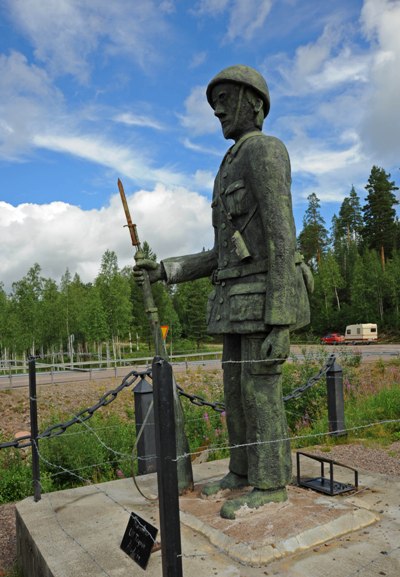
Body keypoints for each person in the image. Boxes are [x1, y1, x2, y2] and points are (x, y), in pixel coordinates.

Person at [134, 65, 312, 519]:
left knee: (260, 393)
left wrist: (281, 319)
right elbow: (221, 253)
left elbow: (281, 237)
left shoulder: (266, 152)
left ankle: (271, 483)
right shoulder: (228, 163)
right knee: (234, 391)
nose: (217, 109)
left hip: (262, 303)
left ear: (254, 104)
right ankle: (241, 469)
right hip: (234, 305)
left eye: (226, 98)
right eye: (215, 101)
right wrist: (166, 271)